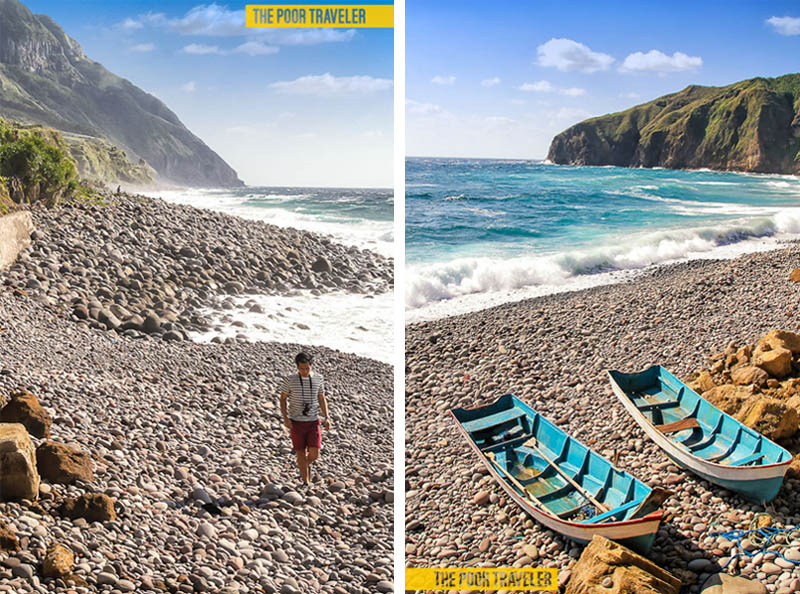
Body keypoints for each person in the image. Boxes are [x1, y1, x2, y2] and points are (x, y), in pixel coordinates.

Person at [280, 352, 331, 486]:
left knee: (315, 454)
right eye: (301, 368)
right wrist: (285, 418)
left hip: (313, 421)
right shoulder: (290, 380)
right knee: (300, 452)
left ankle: (303, 465)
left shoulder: (318, 378)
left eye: (307, 368)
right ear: (297, 367)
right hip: (296, 422)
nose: (304, 371)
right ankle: (305, 481)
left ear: (311, 366)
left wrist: (327, 417)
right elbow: (283, 398)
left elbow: (321, 397)